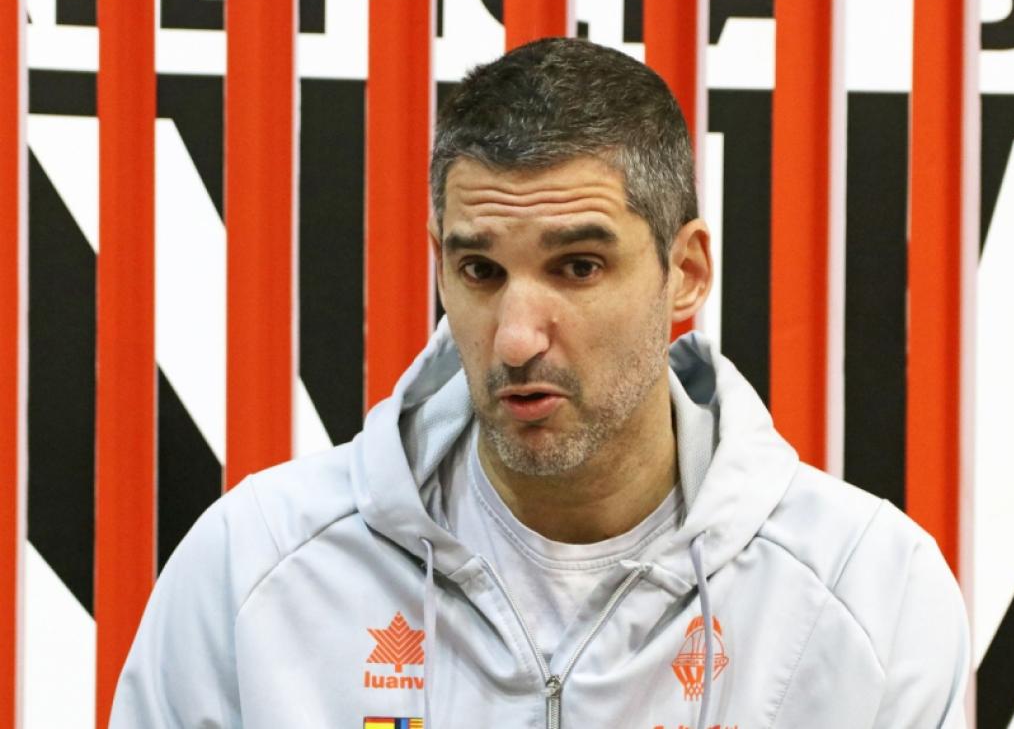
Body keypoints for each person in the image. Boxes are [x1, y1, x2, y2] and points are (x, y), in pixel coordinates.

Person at [110, 38, 968, 728]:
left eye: (578, 266)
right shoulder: (255, 569)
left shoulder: (867, 592)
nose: (516, 338)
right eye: (480, 270)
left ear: (685, 272)